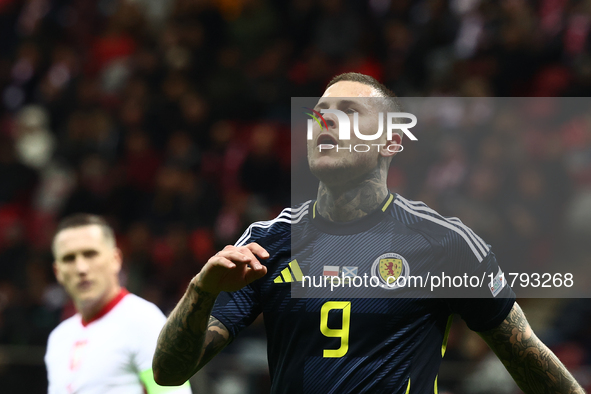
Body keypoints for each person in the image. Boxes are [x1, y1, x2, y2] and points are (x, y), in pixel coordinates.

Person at [152, 73, 584, 393]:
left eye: (350, 113)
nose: (326, 122)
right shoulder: (267, 242)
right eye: (319, 114)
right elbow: (168, 373)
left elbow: (526, 355)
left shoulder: (443, 243)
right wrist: (199, 290)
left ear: (389, 142)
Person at [45, 214, 192, 394]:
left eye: (90, 254)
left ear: (116, 259)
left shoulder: (144, 321)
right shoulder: (58, 338)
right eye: (69, 258)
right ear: (57, 271)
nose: (81, 268)